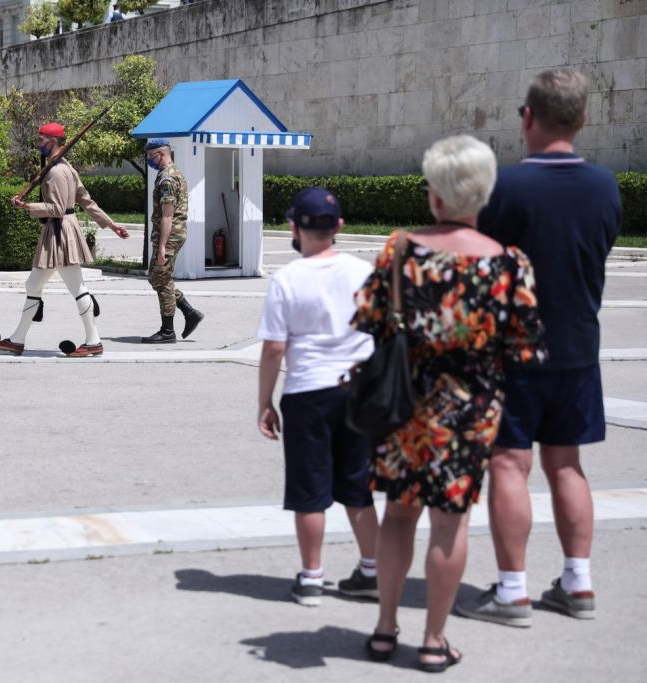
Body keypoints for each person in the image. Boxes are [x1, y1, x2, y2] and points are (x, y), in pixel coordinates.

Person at [352, 135, 545, 672]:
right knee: (449, 522)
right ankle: (434, 641)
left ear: (435, 194)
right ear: (483, 195)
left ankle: (386, 630)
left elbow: (367, 320)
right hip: (471, 412)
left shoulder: (400, 250)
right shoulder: (509, 264)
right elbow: (526, 346)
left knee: (398, 516)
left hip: (404, 405)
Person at [455, 68, 621, 626]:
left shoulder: (505, 187)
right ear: (583, 119)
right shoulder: (606, 186)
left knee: (507, 462)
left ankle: (513, 590)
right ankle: (578, 583)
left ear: (528, 117)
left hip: (512, 353)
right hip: (578, 348)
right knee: (567, 466)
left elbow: (481, 265)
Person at [257, 187, 380, 607]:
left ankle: (312, 578)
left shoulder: (288, 278)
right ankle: (371, 570)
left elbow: (274, 347)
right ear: (339, 227)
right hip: (358, 390)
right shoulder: (364, 272)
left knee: (309, 491)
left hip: (307, 392)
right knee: (358, 485)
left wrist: (265, 402)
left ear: (295, 228)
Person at [0, 122, 129, 357]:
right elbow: (87, 201)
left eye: (41, 140)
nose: (38, 144)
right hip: (58, 231)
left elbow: (57, 208)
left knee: (77, 288)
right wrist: (111, 224)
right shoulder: (66, 168)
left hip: (61, 232)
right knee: (34, 285)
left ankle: (93, 341)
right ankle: (17, 339)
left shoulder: (55, 171)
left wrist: (27, 206)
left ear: (52, 141)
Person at [141, 139, 205, 344]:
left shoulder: (167, 178)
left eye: (150, 156)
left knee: (160, 280)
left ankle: (168, 330)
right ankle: (189, 312)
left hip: (169, 236)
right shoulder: (173, 172)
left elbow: (167, 215)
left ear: (160, 154)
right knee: (157, 277)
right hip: (172, 235)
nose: (149, 160)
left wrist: (161, 246)